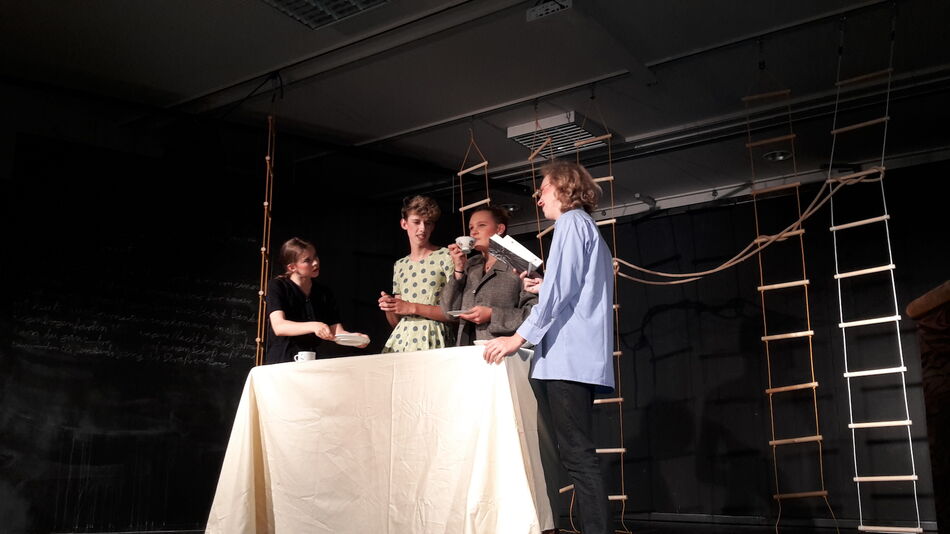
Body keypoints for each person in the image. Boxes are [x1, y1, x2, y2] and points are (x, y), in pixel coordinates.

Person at [484, 160, 615, 534]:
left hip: (567, 360)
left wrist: (518, 338)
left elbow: (561, 293)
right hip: (568, 358)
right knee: (576, 456)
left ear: (562, 188)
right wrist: (544, 284)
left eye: (542, 190)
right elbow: (571, 288)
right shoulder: (584, 227)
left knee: (578, 457)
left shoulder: (572, 223)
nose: (538, 199)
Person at [441, 205, 537, 345]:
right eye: (471, 227)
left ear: (499, 229)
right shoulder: (471, 265)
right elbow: (448, 311)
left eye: (481, 225)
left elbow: (534, 314)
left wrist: (493, 314)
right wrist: (459, 268)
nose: (473, 232)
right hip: (467, 349)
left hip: (501, 349)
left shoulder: (519, 266)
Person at [265, 237, 367, 365]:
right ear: (292, 267)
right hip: (283, 361)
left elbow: (335, 331)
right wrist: (314, 326)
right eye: (307, 260)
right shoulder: (278, 286)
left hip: (311, 361)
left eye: (315, 257)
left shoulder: (323, 293)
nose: (315, 263)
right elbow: (279, 327)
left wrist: (354, 339)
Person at [378, 195, 455, 352]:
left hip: (434, 338)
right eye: (416, 222)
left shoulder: (446, 256)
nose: (422, 228)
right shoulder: (400, 265)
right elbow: (397, 322)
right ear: (404, 224)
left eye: (428, 223)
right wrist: (390, 306)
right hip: (402, 342)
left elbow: (453, 313)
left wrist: (411, 307)